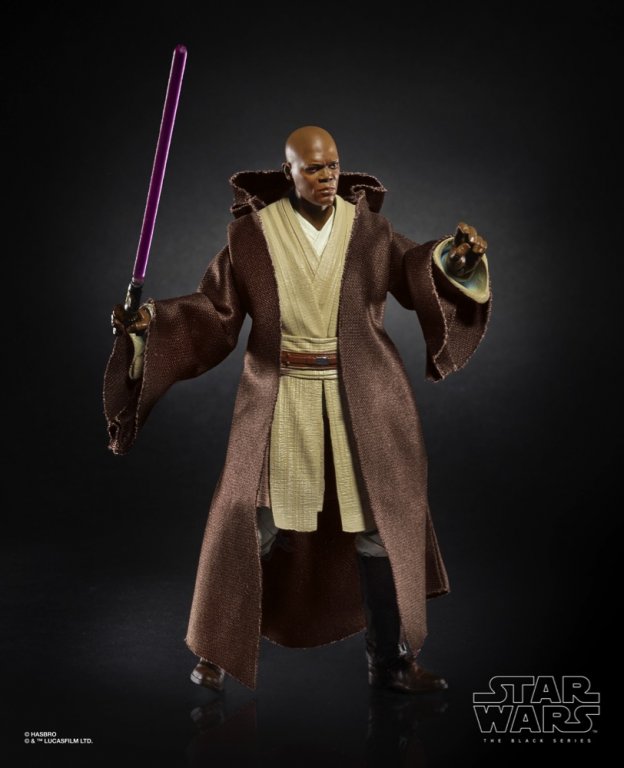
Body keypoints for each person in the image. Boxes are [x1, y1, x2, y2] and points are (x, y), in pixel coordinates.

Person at [105, 126, 491, 694]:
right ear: (288, 171)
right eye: (313, 168)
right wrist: (150, 324)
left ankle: (391, 662)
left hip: (361, 399)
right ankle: (215, 650)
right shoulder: (252, 236)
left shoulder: (369, 231)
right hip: (280, 396)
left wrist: (453, 259)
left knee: (380, 524)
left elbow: (415, 272)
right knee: (251, 520)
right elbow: (213, 315)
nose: (328, 176)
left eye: (333, 165)